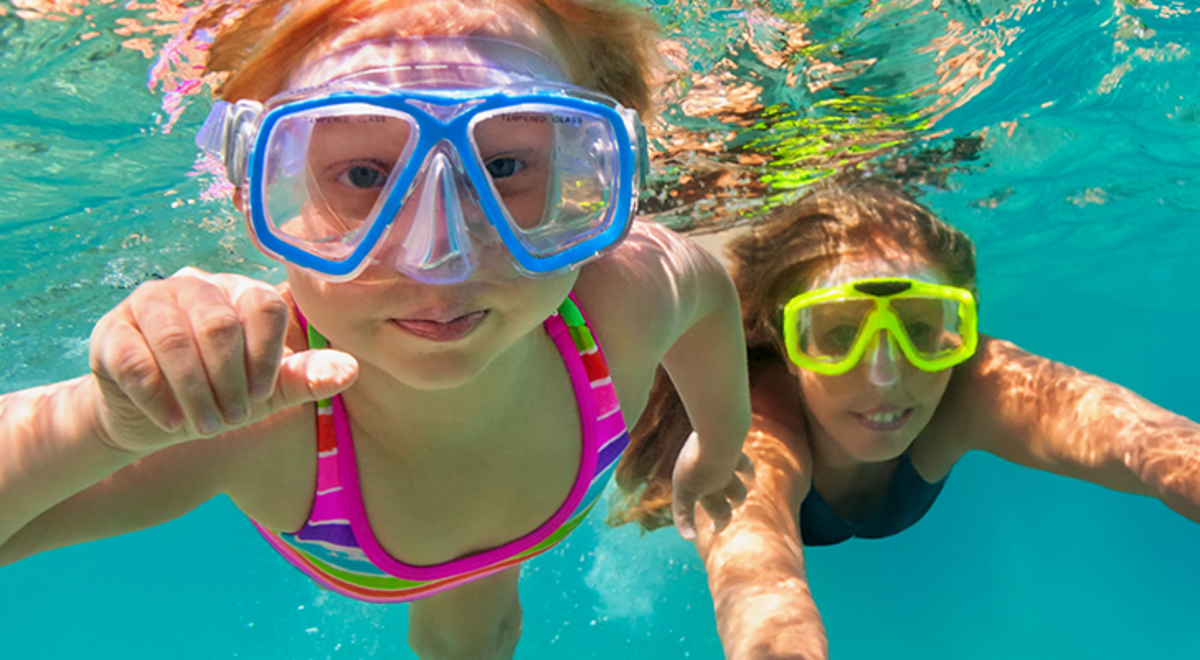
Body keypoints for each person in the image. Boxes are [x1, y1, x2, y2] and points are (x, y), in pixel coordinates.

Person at [0, 1, 753, 657]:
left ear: (584, 172)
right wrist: (104, 426)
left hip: (515, 518)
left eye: (504, 167)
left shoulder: (624, 293)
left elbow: (712, 298)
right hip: (369, 534)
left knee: (482, 630)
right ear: (256, 191)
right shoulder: (251, 408)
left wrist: (716, 448)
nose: (442, 259)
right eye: (363, 175)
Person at [612, 178, 1200, 660]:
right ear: (787, 347)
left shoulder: (976, 385)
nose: (886, 375)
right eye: (840, 334)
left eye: (921, 329)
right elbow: (763, 590)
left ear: (960, 332)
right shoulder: (754, 436)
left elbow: (1153, 445)